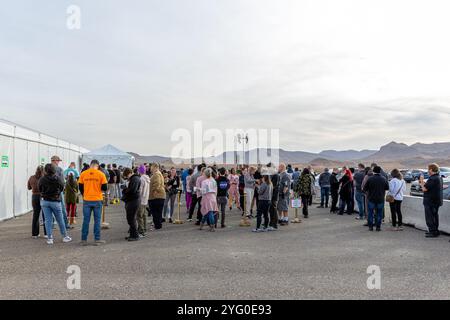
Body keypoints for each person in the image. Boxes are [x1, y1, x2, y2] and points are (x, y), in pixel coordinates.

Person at [38, 164, 72, 245]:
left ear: (45, 170)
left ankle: (50, 238)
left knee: (48, 220)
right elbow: (61, 188)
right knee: (60, 220)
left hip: (45, 201)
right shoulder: (57, 178)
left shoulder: (42, 179)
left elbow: (40, 189)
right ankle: (64, 237)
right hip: (55, 201)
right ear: (54, 170)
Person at [78, 160, 108, 246]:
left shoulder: (83, 173)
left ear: (90, 165)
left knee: (86, 220)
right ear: (97, 166)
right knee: (97, 220)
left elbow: (80, 187)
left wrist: (85, 194)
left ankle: (83, 240)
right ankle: (97, 239)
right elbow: (105, 188)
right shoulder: (101, 174)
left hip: (87, 200)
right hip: (97, 199)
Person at [420, 163, 444, 238]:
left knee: (430, 217)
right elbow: (429, 187)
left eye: (428, 169)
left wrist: (421, 181)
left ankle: (433, 232)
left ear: (431, 169)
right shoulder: (439, 177)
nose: (427, 171)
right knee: (434, 216)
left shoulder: (432, 178)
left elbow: (424, 189)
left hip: (430, 201)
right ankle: (435, 231)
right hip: (436, 201)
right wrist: (424, 183)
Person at [363, 166, 389, 232]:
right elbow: (387, 188)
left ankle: (371, 227)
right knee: (379, 213)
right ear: (380, 171)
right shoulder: (383, 179)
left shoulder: (370, 179)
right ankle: (378, 227)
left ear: (373, 171)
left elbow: (364, 189)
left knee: (370, 213)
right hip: (380, 199)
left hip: (371, 199)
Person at [122, 168, 142, 241]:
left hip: (133, 201)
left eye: (126, 175)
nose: (127, 177)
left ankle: (135, 236)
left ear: (130, 173)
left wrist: (124, 190)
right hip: (133, 200)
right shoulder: (134, 178)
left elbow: (132, 190)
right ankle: (132, 234)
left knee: (131, 219)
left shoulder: (135, 179)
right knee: (131, 218)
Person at [51, 155, 70, 230]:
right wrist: (62, 189)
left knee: (49, 209)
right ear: (55, 161)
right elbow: (62, 181)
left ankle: (51, 225)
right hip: (58, 191)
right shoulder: (59, 169)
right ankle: (66, 225)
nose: (58, 162)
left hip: (48, 192)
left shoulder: (46, 168)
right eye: (58, 161)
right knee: (62, 208)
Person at [28, 165, 46, 238]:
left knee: (36, 215)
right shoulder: (44, 178)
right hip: (43, 196)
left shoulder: (31, 177)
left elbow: (29, 187)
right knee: (45, 215)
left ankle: (35, 234)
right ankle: (46, 233)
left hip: (34, 197)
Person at [149, 163, 166, 230]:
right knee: (158, 212)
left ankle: (157, 225)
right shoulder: (158, 174)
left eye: (151, 167)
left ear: (155, 167)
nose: (150, 168)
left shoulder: (156, 174)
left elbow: (157, 184)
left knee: (155, 212)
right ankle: (158, 225)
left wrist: (153, 191)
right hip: (159, 196)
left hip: (156, 196)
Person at [138, 165, 150, 237]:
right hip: (146, 199)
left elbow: (140, 190)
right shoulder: (147, 178)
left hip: (141, 199)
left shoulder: (141, 179)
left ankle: (141, 231)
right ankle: (144, 228)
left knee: (140, 216)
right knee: (144, 215)